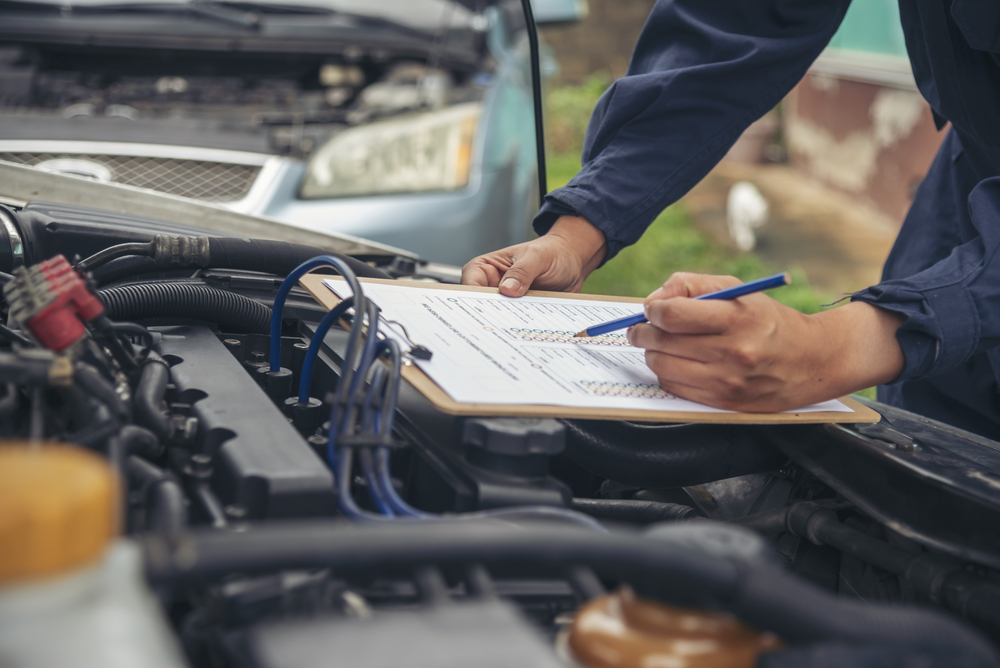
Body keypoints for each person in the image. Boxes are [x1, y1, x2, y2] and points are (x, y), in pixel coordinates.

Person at [461, 0, 1000, 440]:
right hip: (971, 179)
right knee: (929, 460)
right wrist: (577, 234)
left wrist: (830, 350)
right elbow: (737, 23)